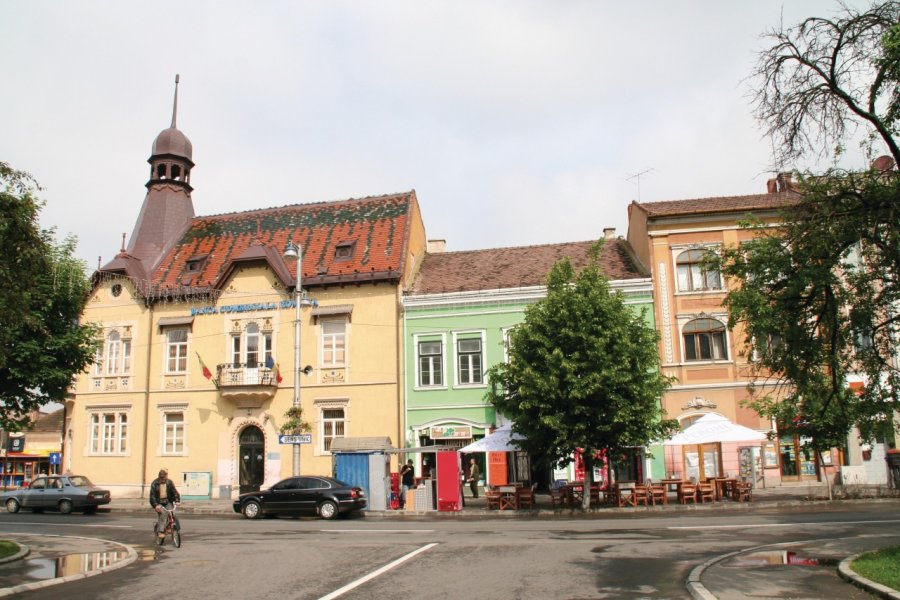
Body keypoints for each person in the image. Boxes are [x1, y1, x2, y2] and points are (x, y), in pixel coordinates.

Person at [149, 468, 181, 544]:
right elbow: (152, 496)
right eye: (161, 477)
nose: (162, 479)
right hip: (159, 503)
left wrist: (177, 501)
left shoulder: (169, 482)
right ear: (159, 476)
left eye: (164, 477)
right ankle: (160, 531)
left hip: (167, 502)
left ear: (166, 476)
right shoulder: (154, 483)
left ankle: (172, 527)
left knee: (172, 513)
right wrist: (156, 505)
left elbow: (175, 492)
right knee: (163, 514)